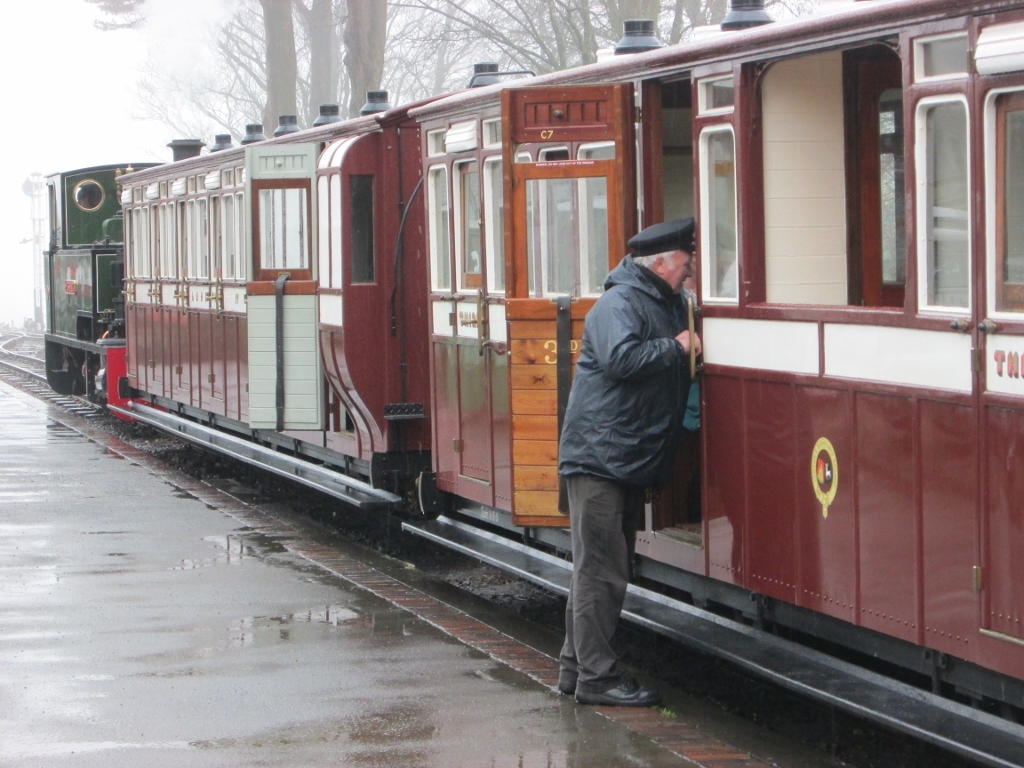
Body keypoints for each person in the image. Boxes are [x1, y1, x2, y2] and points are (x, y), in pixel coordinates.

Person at [557, 218, 701, 707]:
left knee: (594, 569)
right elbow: (622, 360)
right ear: (659, 263)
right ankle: (598, 679)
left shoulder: (658, 300)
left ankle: (576, 669)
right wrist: (676, 347)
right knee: (602, 571)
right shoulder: (619, 303)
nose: (688, 272)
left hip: (618, 457)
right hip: (602, 458)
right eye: (684, 264)